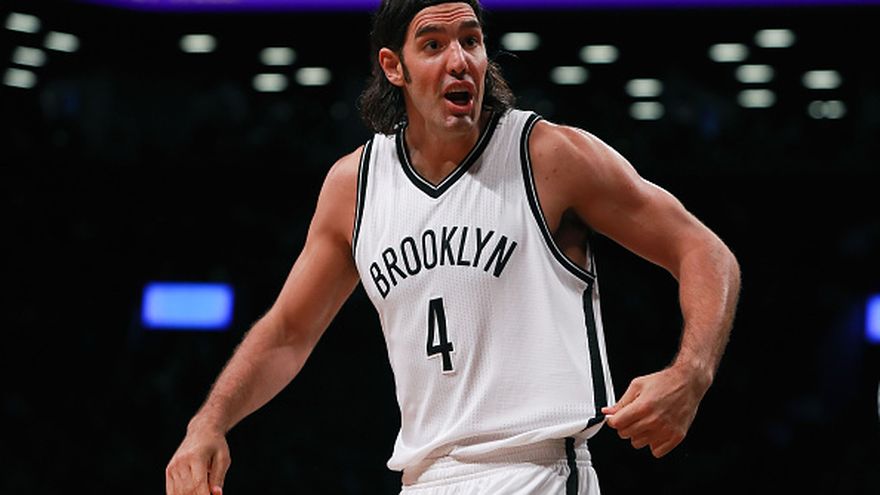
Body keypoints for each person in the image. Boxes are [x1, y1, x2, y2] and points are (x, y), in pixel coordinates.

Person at [164, 1, 741, 494]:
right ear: (394, 67)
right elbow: (289, 331)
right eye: (433, 44)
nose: (459, 59)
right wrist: (208, 422)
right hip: (424, 477)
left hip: (537, 471)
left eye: (471, 40)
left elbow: (704, 251)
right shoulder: (355, 186)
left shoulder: (546, 156)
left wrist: (691, 372)